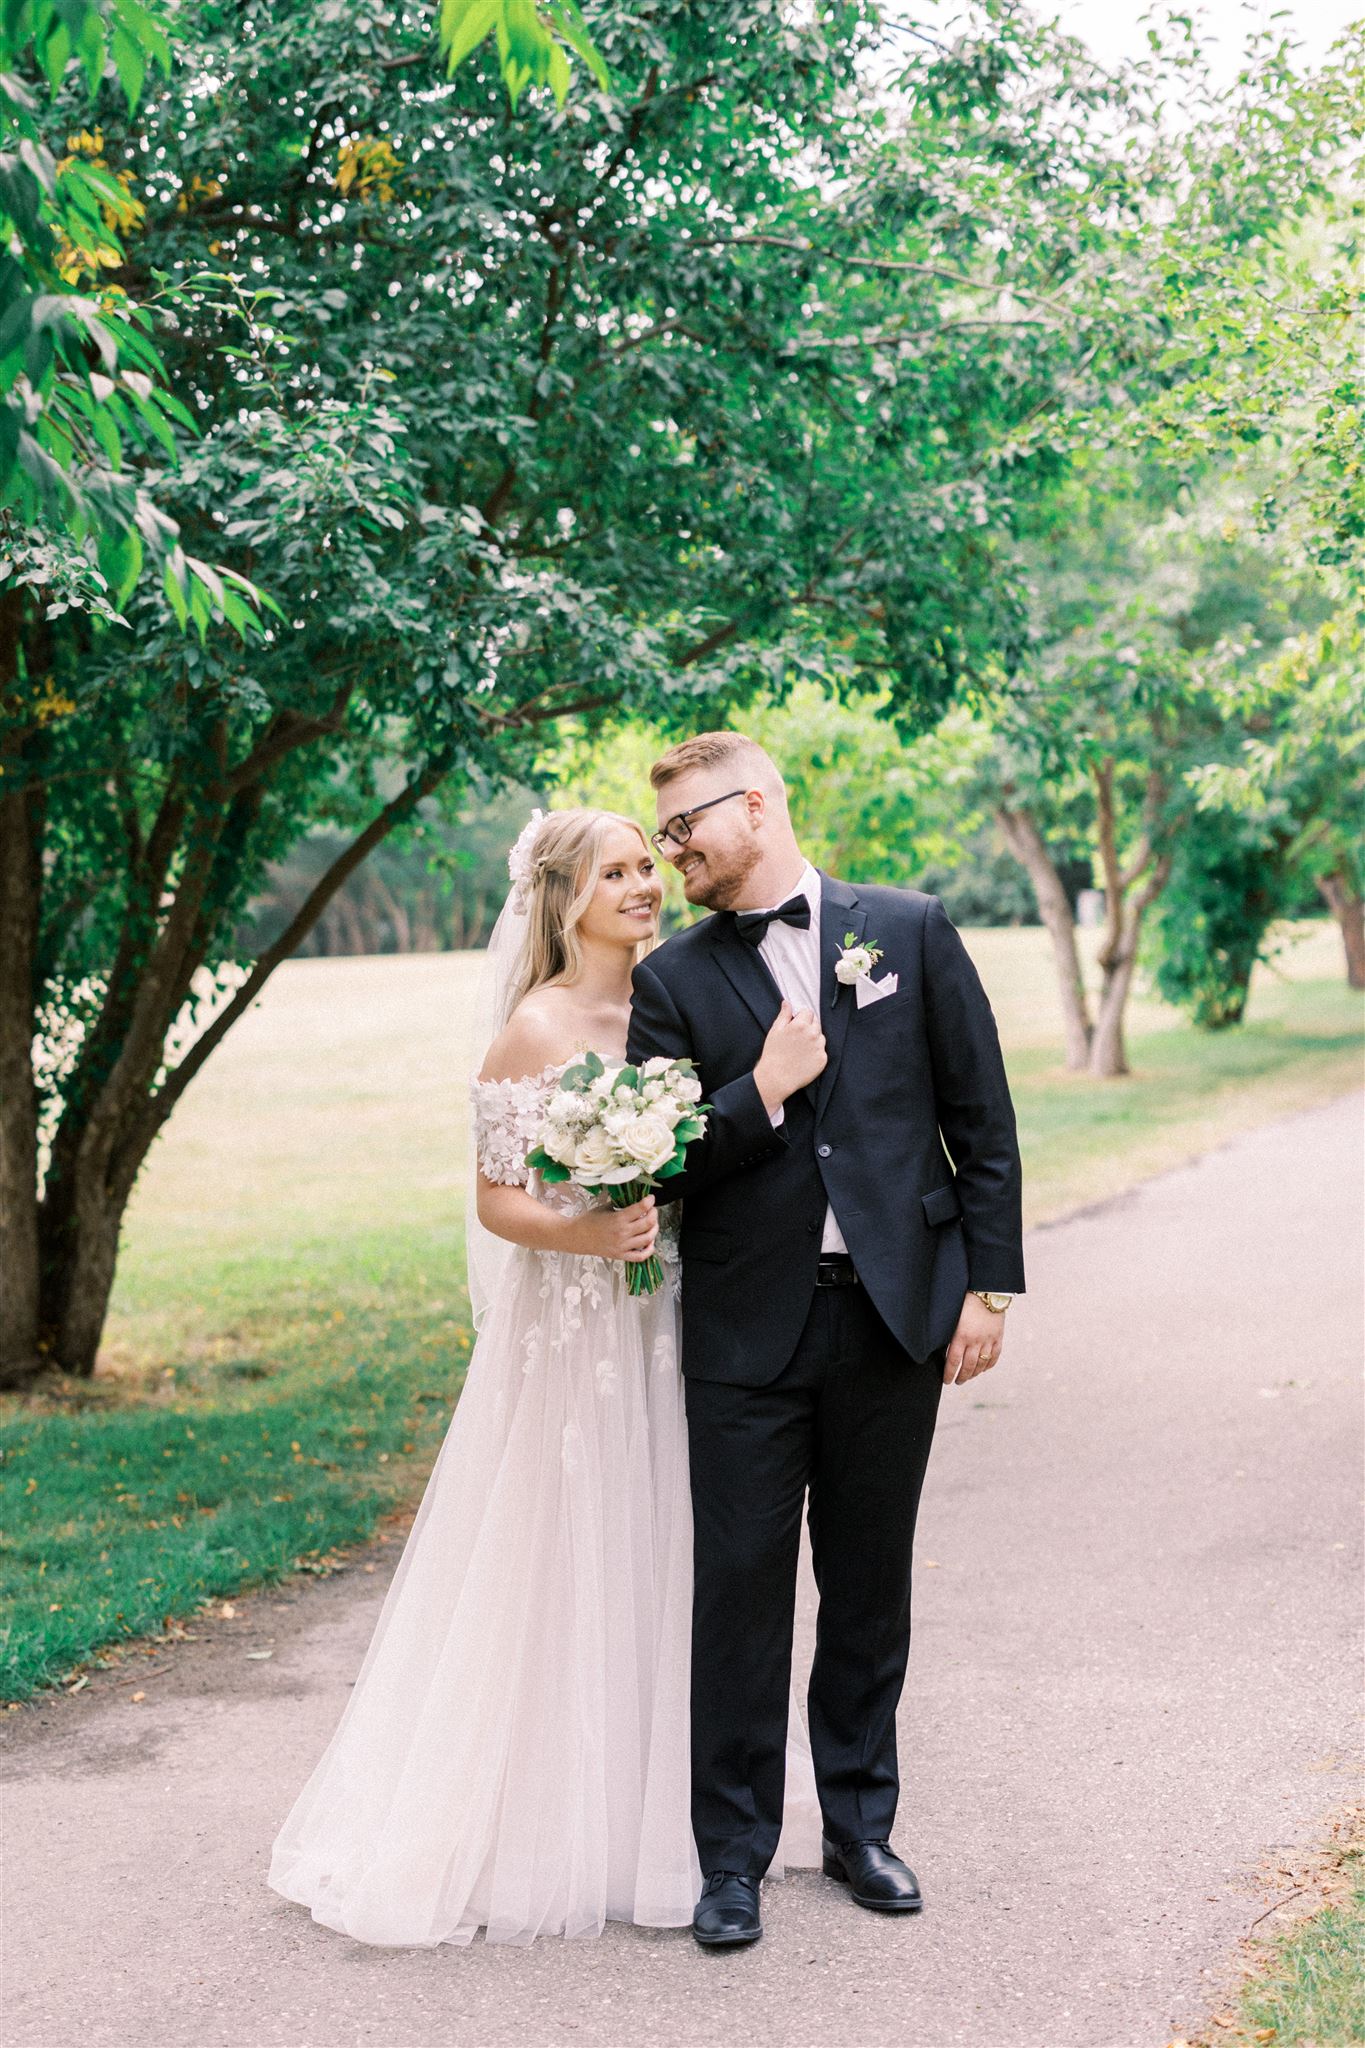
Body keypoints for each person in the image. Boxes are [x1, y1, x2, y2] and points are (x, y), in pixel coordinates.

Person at [268, 806, 819, 1948]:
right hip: (575, 1326)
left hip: (674, 1312)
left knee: (674, 1542)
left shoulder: (675, 1000)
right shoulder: (536, 1025)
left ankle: (672, 1817)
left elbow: (709, 1146)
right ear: (564, 897)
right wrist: (593, 1235)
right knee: (566, 1543)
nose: (643, 885)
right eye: (616, 871)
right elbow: (496, 1196)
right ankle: (546, 1823)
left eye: (646, 867)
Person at [626, 732, 1025, 1950]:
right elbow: (656, 1154)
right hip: (747, 1332)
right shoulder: (672, 980)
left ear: (755, 803)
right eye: (662, 837)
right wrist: (760, 1087)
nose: (672, 852)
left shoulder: (907, 928)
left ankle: (859, 1827)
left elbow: (980, 1116)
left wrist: (987, 1291)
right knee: (739, 1596)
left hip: (892, 1319)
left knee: (868, 1586)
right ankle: (732, 1859)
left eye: (687, 825)